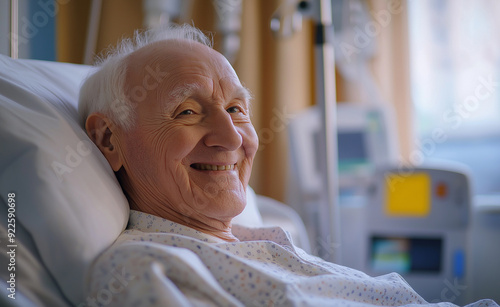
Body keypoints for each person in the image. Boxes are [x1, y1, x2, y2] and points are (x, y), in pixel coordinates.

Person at [78, 24, 497, 307]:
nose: (232, 137)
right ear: (109, 140)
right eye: (186, 112)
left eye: (236, 108)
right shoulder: (142, 269)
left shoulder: (264, 241)